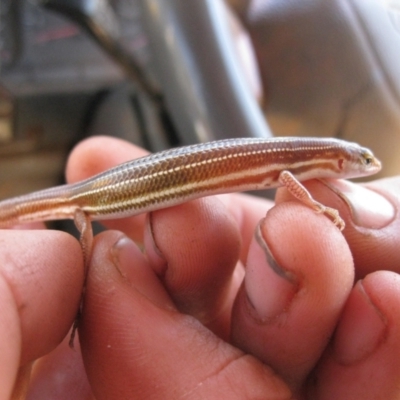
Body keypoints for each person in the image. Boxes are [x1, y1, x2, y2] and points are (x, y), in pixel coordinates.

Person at [3, 136, 400, 399]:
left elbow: (284, 176)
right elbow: (284, 177)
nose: (369, 166)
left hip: (106, 195)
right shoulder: (295, 166)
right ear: (338, 159)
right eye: (363, 161)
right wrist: (314, 206)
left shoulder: (296, 163)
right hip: (102, 194)